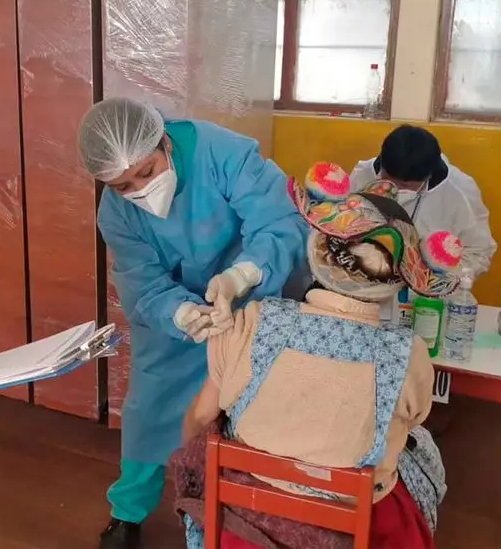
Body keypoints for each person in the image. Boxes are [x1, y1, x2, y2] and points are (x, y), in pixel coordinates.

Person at [173, 162, 452, 549]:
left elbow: (201, 417)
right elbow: (414, 418)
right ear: (397, 282)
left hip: (245, 519)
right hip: (355, 525)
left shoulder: (253, 321)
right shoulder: (407, 354)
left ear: (318, 249)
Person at [77, 97, 309, 549]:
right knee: (150, 409)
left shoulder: (221, 153)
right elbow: (141, 282)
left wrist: (242, 276)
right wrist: (180, 313)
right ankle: (128, 512)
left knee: (249, 411)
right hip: (174, 320)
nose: (141, 190)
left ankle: (247, 512)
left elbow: (280, 221)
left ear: (163, 140)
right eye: (123, 186)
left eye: (146, 172)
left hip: (253, 298)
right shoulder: (116, 211)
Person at [349, 124, 496, 278]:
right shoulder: (364, 173)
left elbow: (478, 253)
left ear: (428, 176)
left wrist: (433, 280)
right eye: (387, 179)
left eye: (404, 185)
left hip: (427, 294)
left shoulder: (459, 192)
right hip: (367, 279)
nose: (394, 188)